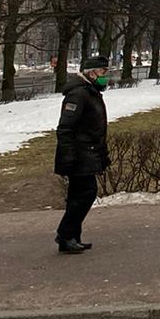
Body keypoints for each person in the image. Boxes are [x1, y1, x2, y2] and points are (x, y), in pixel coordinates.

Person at [53, 54, 111, 255]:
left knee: (77, 195)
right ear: (91, 73)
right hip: (80, 155)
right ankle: (65, 234)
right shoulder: (78, 95)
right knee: (87, 193)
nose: (105, 76)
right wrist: (68, 157)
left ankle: (71, 237)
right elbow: (65, 128)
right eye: (103, 72)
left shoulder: (90, 92)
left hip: (87, 153)